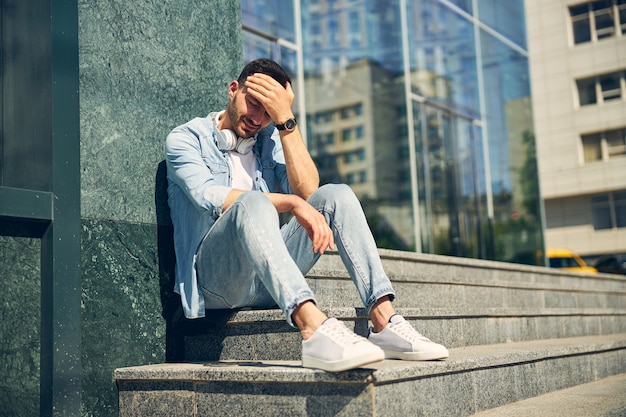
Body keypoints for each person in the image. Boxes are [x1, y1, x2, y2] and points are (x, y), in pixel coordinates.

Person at [165, 58, 448, 372]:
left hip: (266, 282)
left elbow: (308, 192)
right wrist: (291, 204)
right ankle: (313, 329)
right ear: (234, 90)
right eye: (253, 103)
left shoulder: (268, 140)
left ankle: (382, 320)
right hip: (215, 282)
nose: (258, 118)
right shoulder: (185, 138)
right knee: (254, 202)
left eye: (267, 111)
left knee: (336, 195)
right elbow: (209, 196)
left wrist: (286, 120)